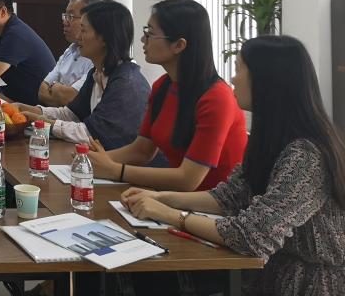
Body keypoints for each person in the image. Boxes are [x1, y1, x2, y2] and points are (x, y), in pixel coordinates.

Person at [123, 35, 345, 296]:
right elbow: (229, 197)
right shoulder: (270, 138)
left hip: (310, 285)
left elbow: (252, 235)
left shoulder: (306, 155)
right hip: (268, 275)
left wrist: (171, 215)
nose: (233, 78)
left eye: (239, 69)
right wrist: (160, 198)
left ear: (266, 81)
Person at [87, 0, 247, 190]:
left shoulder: (217, 98)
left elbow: (188, 179)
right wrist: (91, 160)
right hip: (175, 197)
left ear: (178, 45)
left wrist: (114, 170)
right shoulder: (163, 86)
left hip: (211, 203)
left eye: (150, 33)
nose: (143, 40)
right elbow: (141, 151)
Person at [16, 0, 150, 150]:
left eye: (84, 30)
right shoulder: (97, 73)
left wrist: (41, 121)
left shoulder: (125, 83)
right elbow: (72, 115)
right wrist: (26, 109)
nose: (78, 36)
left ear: (104, 38)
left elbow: (90, 133)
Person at [37, 0, 97, 106]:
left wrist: (54, 87)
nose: (65, 22)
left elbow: (70, 99)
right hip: (55, 113)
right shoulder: (70, 50)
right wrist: (62, 91)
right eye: (65, 16)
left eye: (71, 16)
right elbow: (42, 92)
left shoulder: (95, 57)